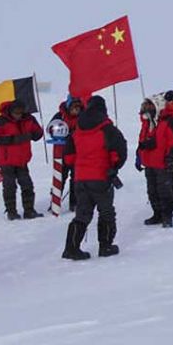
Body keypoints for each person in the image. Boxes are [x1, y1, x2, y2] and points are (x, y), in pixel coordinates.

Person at [62, 96, 127, 260]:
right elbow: (120, 152)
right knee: (106, 212)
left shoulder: (77, 129)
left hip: (80, 178)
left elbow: (68, 157)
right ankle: (105, 247)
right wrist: (114, 167)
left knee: (82, 214)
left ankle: (71, 249)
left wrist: (79, 167)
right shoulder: (107, 128)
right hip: (101, 177)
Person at [0, 100, 44, 220]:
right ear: (10, 111)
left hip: (22, 160)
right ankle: (11, 212)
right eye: (16, 113)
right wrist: (14, 139)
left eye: (20, 113)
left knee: (27, 186)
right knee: (10, 187)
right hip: (6, 161)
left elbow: (38, 133)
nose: (18, 115)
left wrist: (33, 135)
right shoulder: (1, 121)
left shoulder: (28, 119)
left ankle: (29, 211)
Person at [137, 97, 173, 228]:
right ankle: (157, 214)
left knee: (164, 190)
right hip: (149, 162)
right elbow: (141, 140)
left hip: (162, 162)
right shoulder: (146, 122)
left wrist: (171, 158)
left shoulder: (169, 121)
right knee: (152, 190)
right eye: (145, 105)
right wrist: (139, 156)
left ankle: (167, 216)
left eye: (150, 105)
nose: (146, 108)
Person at [51, 96, 83, 212]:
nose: (76, 110)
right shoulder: (60, 116)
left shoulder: (83, 117)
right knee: (59, 178)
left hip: (78, 153)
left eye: (78, 107)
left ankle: (74, 203)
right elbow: (51, 129)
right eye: (74, 107)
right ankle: (54, 203)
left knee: (76, 179)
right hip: (62, 153)